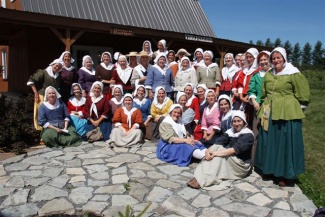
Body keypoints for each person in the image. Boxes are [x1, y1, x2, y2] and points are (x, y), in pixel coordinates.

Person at [254, 47, 310, 187]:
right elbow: (264, 93)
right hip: (269, 110)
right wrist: (262, 108)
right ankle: (269, 169)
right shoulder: (269, 74)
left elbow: (303, 94)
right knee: (270, 141)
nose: (276, 60)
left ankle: (285, 174)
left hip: (287, 113)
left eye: (278, 58)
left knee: (284, 143)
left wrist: (296, 108)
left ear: (284, 58)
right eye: (273, 58)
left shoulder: (293, 74)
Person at [187, 110, 254, 190]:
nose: (236, 124)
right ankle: (202, 176)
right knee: (217, 148)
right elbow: (218, 142)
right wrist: (207, 151)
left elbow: (234, 150)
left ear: (243, 121)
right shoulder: (231, 131)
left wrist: (215, 154)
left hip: (241, 164)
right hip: (233, 158)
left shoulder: (248, 135)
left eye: (239, 121)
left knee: (219, 157)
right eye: (234, 121)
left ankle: (204, 180)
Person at [247, 50, 271, 162]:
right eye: (261, 60)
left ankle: (267, 160)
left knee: (267, 133)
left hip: (270, 107)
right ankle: (255, 159)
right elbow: (251, 89)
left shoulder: (274, 74)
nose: (263, 62)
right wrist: (254, 101)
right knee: (256, 132)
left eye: (265, 59)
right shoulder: (256, 75)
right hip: (258, 106)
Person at [27, 58, 63, 130]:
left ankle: (51, 129)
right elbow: (31, 81)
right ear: (52, 64)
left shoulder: (58, 75)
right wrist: (35, 92)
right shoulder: (43, 72)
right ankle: (40, 130)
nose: (57, 68)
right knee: (41, 113)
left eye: (59, 67)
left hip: (53, 97)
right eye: (56, 66)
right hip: (42, 96)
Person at [237, 48, 261, 128]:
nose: (249, 59)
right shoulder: (245, 70)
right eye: (247, 57)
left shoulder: (258, 70)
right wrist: (240, 96)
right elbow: (240, 84)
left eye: (251, 57)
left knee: (250, 120)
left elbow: (256, 85)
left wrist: (248, 95)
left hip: (251, 98)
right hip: (242, 98)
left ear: (255, 57)